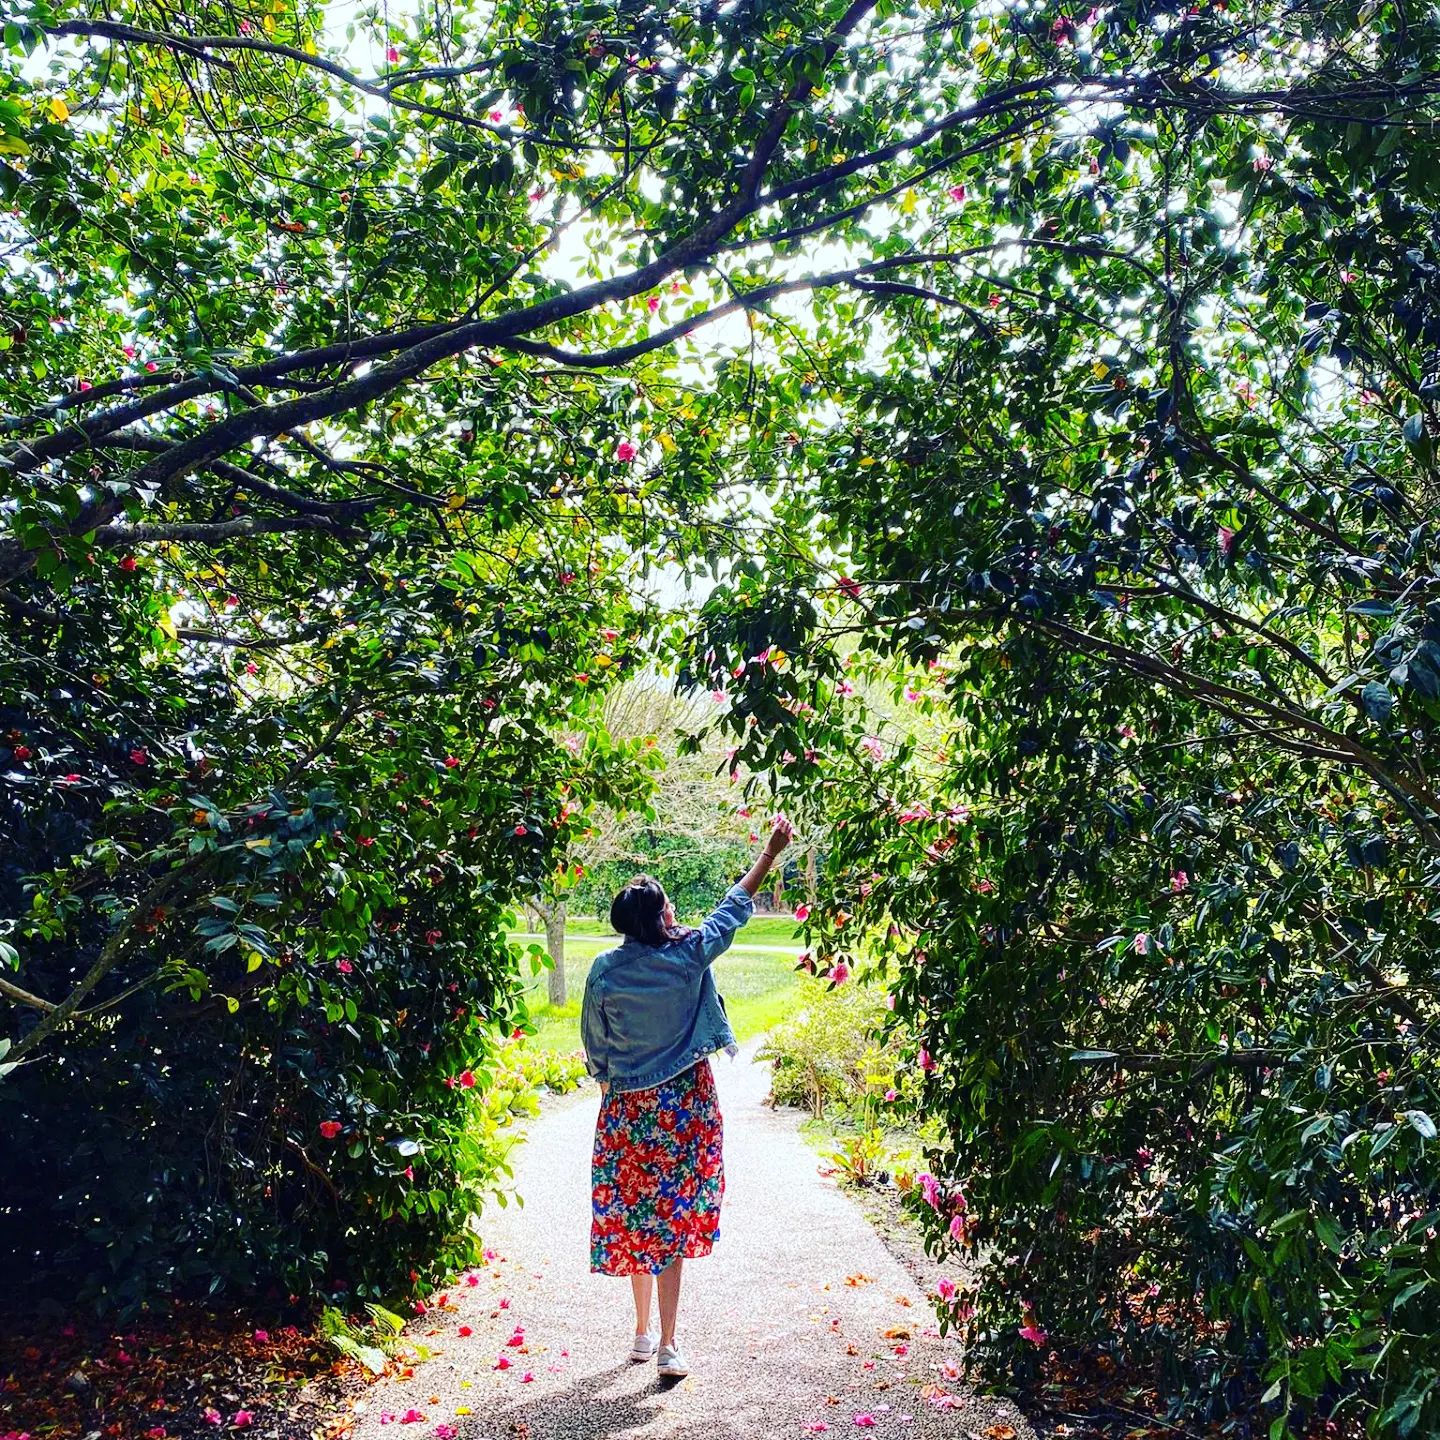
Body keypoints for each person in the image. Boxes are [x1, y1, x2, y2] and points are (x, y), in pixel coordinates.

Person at [580, 816, 794, 1379]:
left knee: (637, 1217)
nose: (675, 913)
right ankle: (669, 1344)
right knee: (672, 1219)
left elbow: (594, 1045)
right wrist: (769, 854)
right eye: (668, 907)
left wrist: (612, 1083)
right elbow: (733, 908)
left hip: (628, 1112)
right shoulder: (687, 956)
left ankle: (641, 1334)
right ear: (656, 920)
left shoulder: (604, 970)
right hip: (685, 1108)